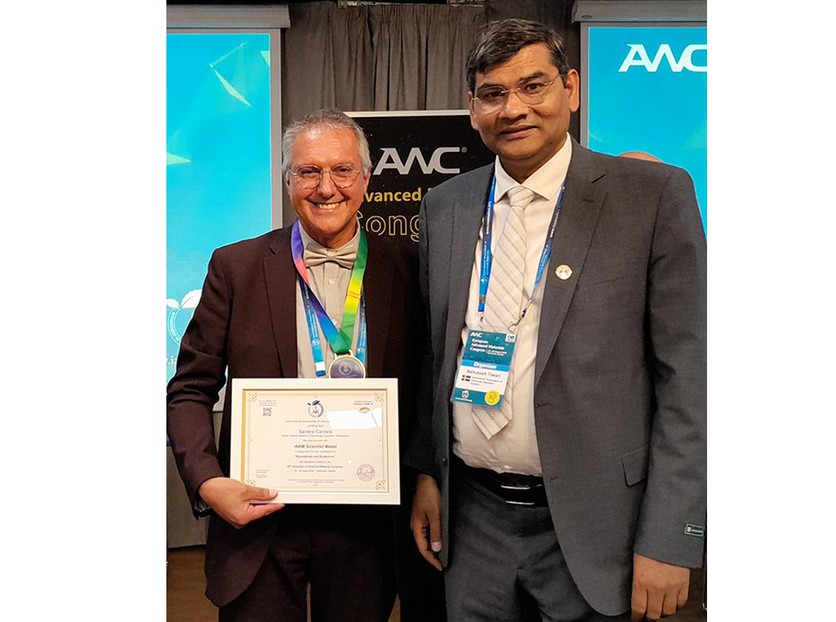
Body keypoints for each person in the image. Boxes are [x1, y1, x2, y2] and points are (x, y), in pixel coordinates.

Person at [408, 19, 706, 622]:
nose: (513, 108)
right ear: (472, 109)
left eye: (533, 86)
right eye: (493, 94)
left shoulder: (650, 196)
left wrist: (673, 536)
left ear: (570, 89)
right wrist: (428, 475)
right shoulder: (446, 206)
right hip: (475, 520)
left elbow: (691, 382)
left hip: (603, 531)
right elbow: (437, 356)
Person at [167, 108, 422, 622]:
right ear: (288, 181)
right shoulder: (235, 267)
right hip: (259, 518)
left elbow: (425, 388)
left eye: (342, 170)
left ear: (366, 179)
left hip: (367, 525)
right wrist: (207, 481)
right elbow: (190, 388)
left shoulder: (409, 265)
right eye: (308, 171)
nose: (326, 187)